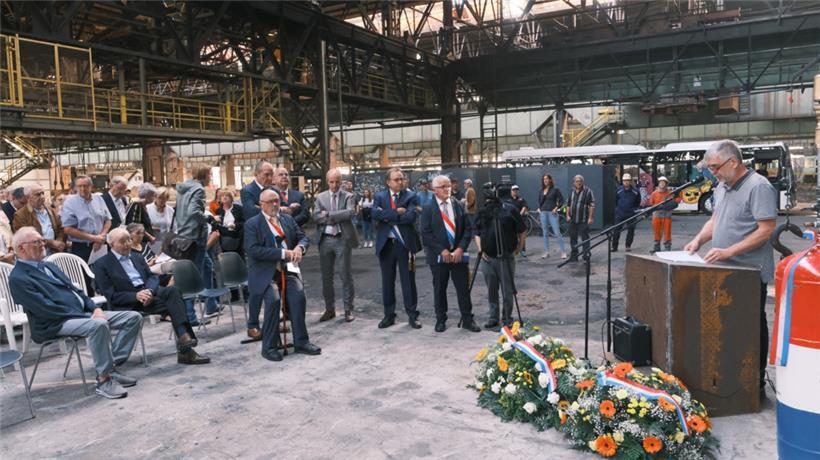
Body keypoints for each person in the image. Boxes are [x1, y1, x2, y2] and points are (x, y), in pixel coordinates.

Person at [684, 140, 777, 396]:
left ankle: (753, 383)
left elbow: (766, 230)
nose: (712, 172)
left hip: (748, 272)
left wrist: (729, 251)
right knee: (726, 328)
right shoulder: (721, 187)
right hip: (723, 270)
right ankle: (730, 377)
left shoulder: (758, 187)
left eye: (715, 167)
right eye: (710, 167)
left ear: (733, 162)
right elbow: (716, 219)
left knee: (751, 328)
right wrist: (698, 240)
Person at [10, 227, 143, 399]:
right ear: (21, 248)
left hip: (82, 314)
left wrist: (94, 308)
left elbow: (78, 292)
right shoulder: (19, 278)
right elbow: (46, 309)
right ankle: (104, 380)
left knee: (133, 317)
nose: (43, 244)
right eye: (37, 242)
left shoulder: (49, 265)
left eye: (42, 240)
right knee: (98, 325)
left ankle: (110, 367)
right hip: (54, 323)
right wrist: (88, 316)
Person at [93, 228, 210, 365]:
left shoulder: (137, 257)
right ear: (111, 244)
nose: (127, 244)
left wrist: (149, 291)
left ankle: (185, 341)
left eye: (129, 240)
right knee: (175, 306)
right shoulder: (102, 264)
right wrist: (136, 296)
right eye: (122, 242)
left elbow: (152, 277)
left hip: (149, 293)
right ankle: (186, 349)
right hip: (129, 300)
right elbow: (111, 295)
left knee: (173, 292)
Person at [245, 189, 321, 362]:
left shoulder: (287, 219)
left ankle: (301, 342)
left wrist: (299, 248)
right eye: (270, 201)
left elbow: (303, 238)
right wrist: (283, 253)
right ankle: (269, 346)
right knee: (273, 300)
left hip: (288, 269)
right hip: (264, 272)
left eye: (277, 201)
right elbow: (254, 250)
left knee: (298, 295)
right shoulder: (252, 224)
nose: (274, 204)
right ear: (261, 204)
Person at [421, 175, 480, 333]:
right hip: (439, 256)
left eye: (449, 185)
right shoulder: (427, 208)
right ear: (435, 190)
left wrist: (461, 248)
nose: (448, 189)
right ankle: (441, 319)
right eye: (443, 186)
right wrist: (442, 250)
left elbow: (468, 229)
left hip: (458, 256)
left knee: (462, 289)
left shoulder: (458, 205)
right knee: (439, 289)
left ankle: (467, 319)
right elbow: (426, 234)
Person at [372, 167, 421, 329]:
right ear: (388, 182)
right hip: (386, 246)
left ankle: (412, 315)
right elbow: (375, 214)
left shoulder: (411, 195)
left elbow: (410, 217)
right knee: (387, 282)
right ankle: (389, 315)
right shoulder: (379, 196)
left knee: (408, 282)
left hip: (404, 245)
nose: (400, 182)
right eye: (396, 179)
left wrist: (387, 216)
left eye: (402, 179)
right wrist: (396, 212)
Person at [474, 187, 526, 328]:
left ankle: (507, 318)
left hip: (506, 257)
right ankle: (493, 317)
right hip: (488, 258)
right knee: (491, 290)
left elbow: (522, 230)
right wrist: (480, 250)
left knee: (507, 290)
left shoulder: (510, 210)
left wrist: (519, 248)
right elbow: (477, 232)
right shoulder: (483, 212)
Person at [174, 164, 219, 324]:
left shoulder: (184, 188)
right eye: (209, 175)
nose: (210, 178)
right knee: (193, 277)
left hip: (185, 234)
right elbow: (194, 211)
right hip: (195, 237)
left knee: (207, 267)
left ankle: (211, 304)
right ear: (204, 175)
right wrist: (209, 219)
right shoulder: (198, 189)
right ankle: (190, 315)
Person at [313, 169, 358, 323]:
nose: (334, 185)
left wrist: (329, 214)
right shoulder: (320, 197)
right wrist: (337, 215)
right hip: (325, 240)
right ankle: (329, 309)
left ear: (341, 181)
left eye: (337, 181)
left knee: (345, 275)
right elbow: (316, 217)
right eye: (331, 181)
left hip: (342, 239)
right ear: (327, 181)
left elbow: (350, 213)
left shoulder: (348, 196)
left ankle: (348, 310)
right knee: (326, 278)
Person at [61, 175, 112, 262]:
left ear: (91, 186)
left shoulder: (98, 199)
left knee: (102, 273)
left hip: (101, 244)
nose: (83, 188)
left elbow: (108, 220)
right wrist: (93, 238)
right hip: (81, 247)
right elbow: (68, 229)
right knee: (83, 274)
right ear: (75, 188)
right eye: (80, 186)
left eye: (86, 186)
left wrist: (101, 237)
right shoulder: (69, 203)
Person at [13, 184, 67, 255]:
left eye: (42, 193)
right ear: (28, 197)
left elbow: (61, 228)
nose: (42, 196)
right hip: (35, 253)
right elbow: (26, 237)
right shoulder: (20, 215)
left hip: (55, 251)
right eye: (37, 195)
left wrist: (59, 240)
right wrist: (51, 243)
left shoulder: (51, 210)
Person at [566, 175, 595, 262]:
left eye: (580, 181)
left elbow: (592, 205)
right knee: (573, 238)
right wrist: (567, 215)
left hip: (583, 219)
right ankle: (574, 256)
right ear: (574, 182)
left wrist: (590, 218)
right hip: (572, 220)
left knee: (585, 238)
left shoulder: (588, 191)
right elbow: (568, 204)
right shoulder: (571, 191)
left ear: (582, 182)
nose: (578, 182)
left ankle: (586, 255)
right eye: (576, 181)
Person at [648, 176, 680, 253]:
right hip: (656, 215)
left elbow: (677, 201)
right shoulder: (654, 193)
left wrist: (676, 198)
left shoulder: (670, 193)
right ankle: (656, 247)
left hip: (667, 215)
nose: (662, 184)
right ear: (658, 183)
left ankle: (667, 248)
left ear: (666, 184)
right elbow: (651, 203)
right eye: (661, 182)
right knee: (656, 232)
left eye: (664, 182)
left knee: (667, 232)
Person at [538, 174, 566, 259]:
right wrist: (539, 208)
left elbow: (562, 200)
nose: (545, 180)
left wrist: (556, 208)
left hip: (552, 213)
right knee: (545, 233)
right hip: (543, 213)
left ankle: (563, 252)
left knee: (557, 232)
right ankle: (547, 252)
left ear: (550, 180)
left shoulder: (555, 189)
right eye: (544, 179)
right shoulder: (541, 190)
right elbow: (540, 201)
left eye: (547, 179)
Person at [611, 173, 642, 252]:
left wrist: (633, 209)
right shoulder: (618, 190)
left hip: (631, 214)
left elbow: (637, 202)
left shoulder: (635, 191)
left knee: (631, 230)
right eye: (625, 181)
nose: (626, 182)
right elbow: (615, 201)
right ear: (622, 181)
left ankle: (628, 246)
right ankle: (614, 247)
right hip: (620, 214)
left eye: (628, 180)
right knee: (616, 230)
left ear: (630, 181)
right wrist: (617, 210)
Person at [214, 190, 244, 256]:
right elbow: (216, 226)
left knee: (238, 257)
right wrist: (216, 222)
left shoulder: (239, 209)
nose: (224, 197)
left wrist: (235, 226)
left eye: (227, 196)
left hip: (237, 238)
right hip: (223, 239)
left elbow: (244, 222)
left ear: (231, 198)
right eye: (222, 196)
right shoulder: (218, 211)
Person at [509, 185, 529, 257]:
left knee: (522, 236)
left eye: (516, 190)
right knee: (513, 236)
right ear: (511, 191)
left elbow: (524, 207)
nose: (515, 192)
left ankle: (523, 251)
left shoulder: (521, 199)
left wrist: (520, 215)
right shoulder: (508, 200)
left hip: (520, 220)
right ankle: (514, 250)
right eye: (514, 190)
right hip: (511, 221)